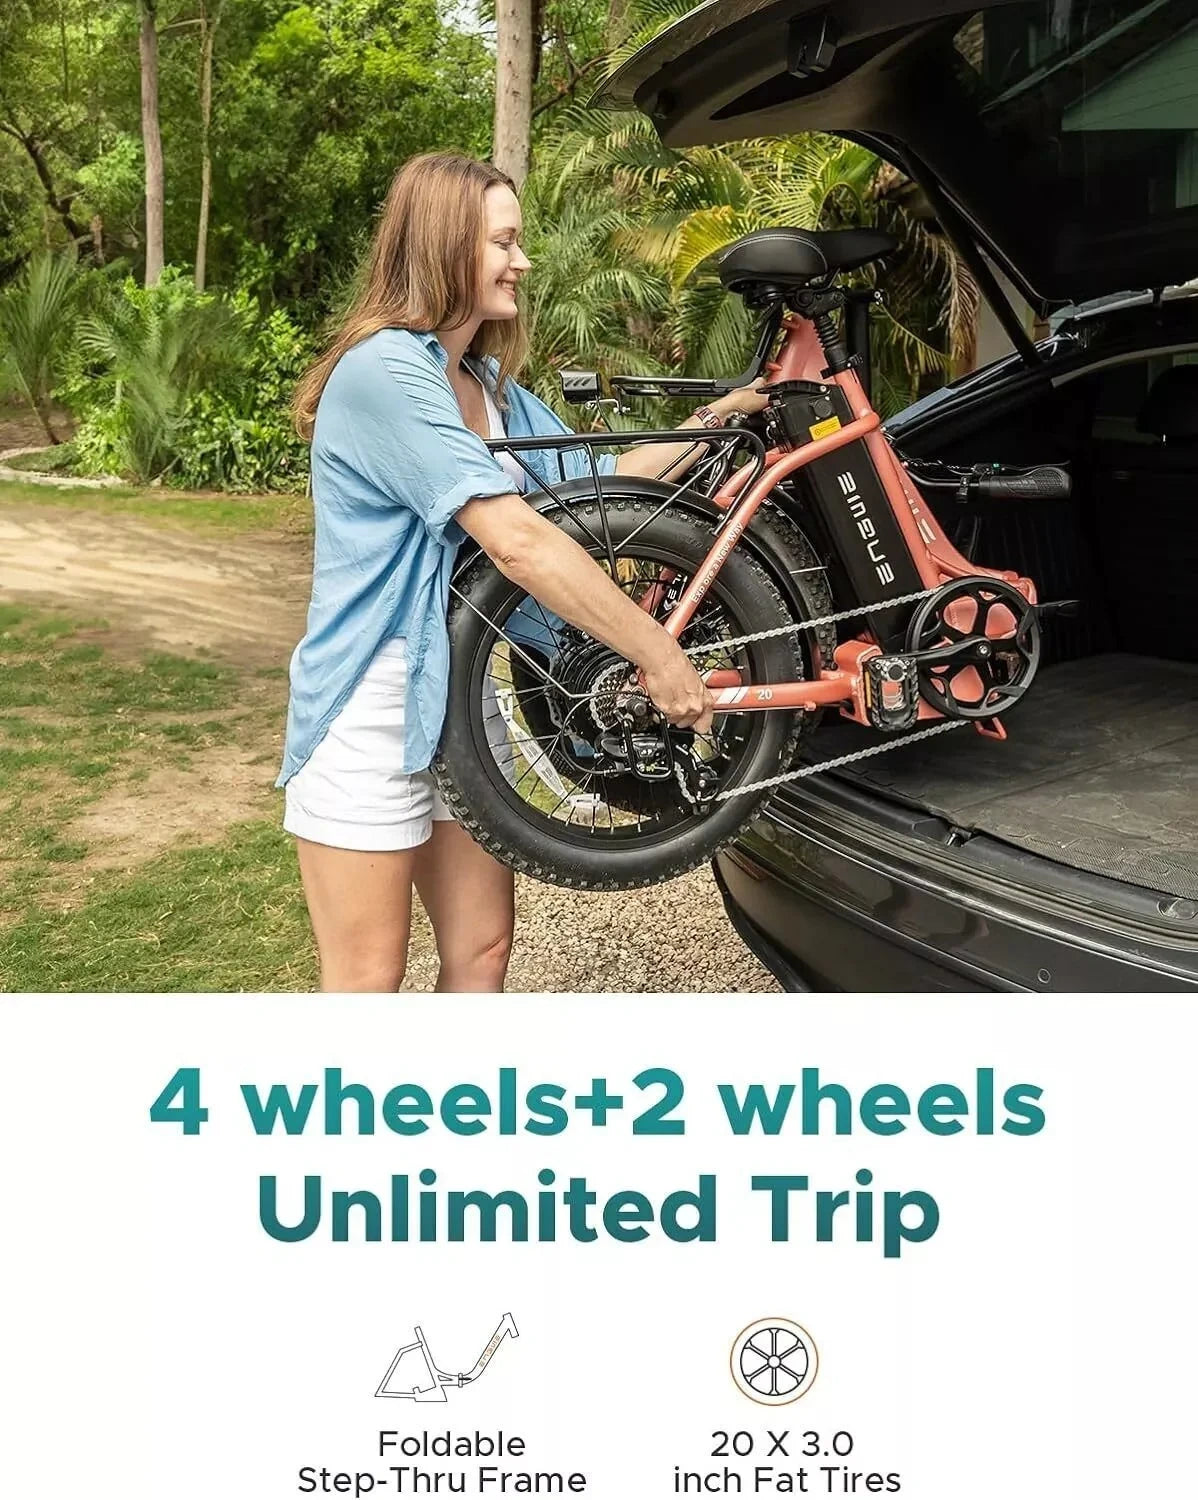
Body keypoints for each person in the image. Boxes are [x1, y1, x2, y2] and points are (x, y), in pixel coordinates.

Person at [280, 151, 770, 994]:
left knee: (481, 953)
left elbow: (595, 490)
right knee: (366, 982)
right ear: (443, 248)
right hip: (372, 705)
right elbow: (516, 540)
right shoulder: (386, 372)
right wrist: (657, 652)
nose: (523, 260)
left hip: (461, 704)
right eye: (503, 242)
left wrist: (720, 417)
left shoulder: (485, 383)